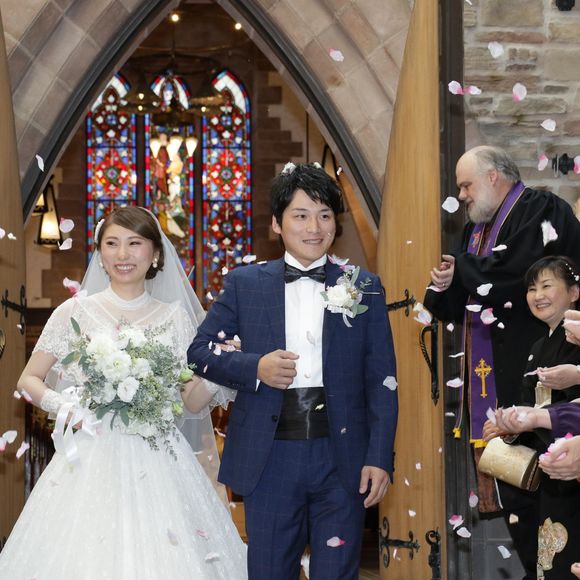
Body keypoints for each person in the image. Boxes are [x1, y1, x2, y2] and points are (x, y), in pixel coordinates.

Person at [0, 207, 246, 579]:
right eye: (112, 244)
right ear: (100, 253)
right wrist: (67, 407)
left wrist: (222, 370)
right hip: (91, 455)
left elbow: (191, 401)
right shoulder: (73, 312)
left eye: (135, 243)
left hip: (161, 459)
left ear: (155, 253)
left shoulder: (175, 318)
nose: (122, 254)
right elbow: (28, 379)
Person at [188, 162, 398, 580]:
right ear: (276, 224)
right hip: (270, 455)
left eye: (324, 216)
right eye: (300, 215)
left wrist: (379, 457)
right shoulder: (245, 284)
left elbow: (382, 381)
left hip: (342, 455)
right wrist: (256, 367)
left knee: (338, 572)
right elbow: (199, 352)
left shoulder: (363, 286)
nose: (314, 228)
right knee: (269, 571)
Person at [424, 145, 580, 577]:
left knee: (551, 496)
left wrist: (464, 269)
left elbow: (515, 272)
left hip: (546, 372)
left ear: (493, 176)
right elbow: (466, 293)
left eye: (466, 185)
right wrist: (445, 283)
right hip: (496, 386)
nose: (462, 195)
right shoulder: (474, 233)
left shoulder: (541, 208)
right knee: (517, 496)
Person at [482, 256, 580, 579]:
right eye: (532, 288)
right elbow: (528, 404)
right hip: (548, 475)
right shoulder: (538, 346)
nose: (538, 295)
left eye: (547, 286)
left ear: (574, 292)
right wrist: (508, 427)